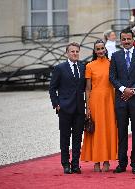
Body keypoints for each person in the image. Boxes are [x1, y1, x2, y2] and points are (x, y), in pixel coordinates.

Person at [109, 28, 135, 174]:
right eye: (123, 39)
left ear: (133, 39)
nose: (126, 41)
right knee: (122, 134)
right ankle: (122, 163)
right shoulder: (115, 56)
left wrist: (132, 90)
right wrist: (122, 89)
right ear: (120, 40)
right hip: (120, 100)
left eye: (128, 39)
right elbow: (112, 77)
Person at [81, 39, 118, 172]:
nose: (101, 51)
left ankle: (107, 160)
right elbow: (87, 88)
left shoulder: (112, 64)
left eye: (102, 48)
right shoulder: (90, 66)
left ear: (105, 49)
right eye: (98, 49)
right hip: (95, 101)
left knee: (107, 130)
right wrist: (87, 107)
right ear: (95, 51)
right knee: (96, 132)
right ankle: (96, 161)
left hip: (109, 100)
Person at [49, 42, 85, 174]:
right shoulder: (60, 68)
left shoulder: (82, 67)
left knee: (77, 138)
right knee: (65, 137)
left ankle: (75, 164)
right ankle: (65, 164)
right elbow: (52, 88)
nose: (75, 53)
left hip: (80, 109)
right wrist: (56, 104)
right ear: (67, 53)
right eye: (72, 51)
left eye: (77, 51)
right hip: (65, 108)